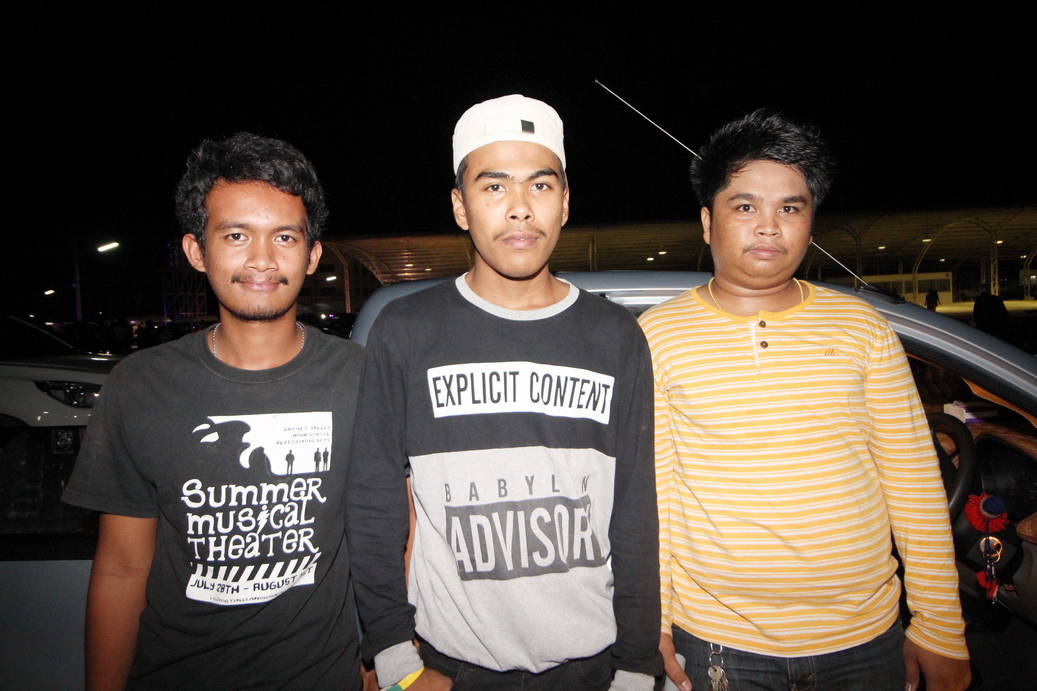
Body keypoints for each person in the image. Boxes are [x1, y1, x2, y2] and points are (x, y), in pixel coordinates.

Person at [638, 110, 971, 691]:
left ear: (811, 222)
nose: (769, 227)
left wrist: (941, 627)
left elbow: (913, 482)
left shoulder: (863, 329)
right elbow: (655, 498)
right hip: (717, 641)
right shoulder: (657, 336)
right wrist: (656, 622)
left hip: (866, 638)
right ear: (707, 222)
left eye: (790, 208)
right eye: (745, 207)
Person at [347, 95, 662, 691]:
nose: (520, 208)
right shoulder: (407, 332)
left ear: (565, 202)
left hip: (592, 668)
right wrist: (395, 662)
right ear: (460, 207)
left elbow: (635, 513)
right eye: (494, 187)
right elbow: (372, 502)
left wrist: (637, 665)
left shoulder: (614, 336)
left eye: (540, 185)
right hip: (449, 667)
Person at [63, 132, 365, 690]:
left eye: (285, 236)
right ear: (196, 251)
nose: (262, 259)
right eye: (236, 235)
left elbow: (397, 539)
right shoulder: (141, 385)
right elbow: (122, 567)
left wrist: (387, 663)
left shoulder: (364, 378)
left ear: (312, 254)